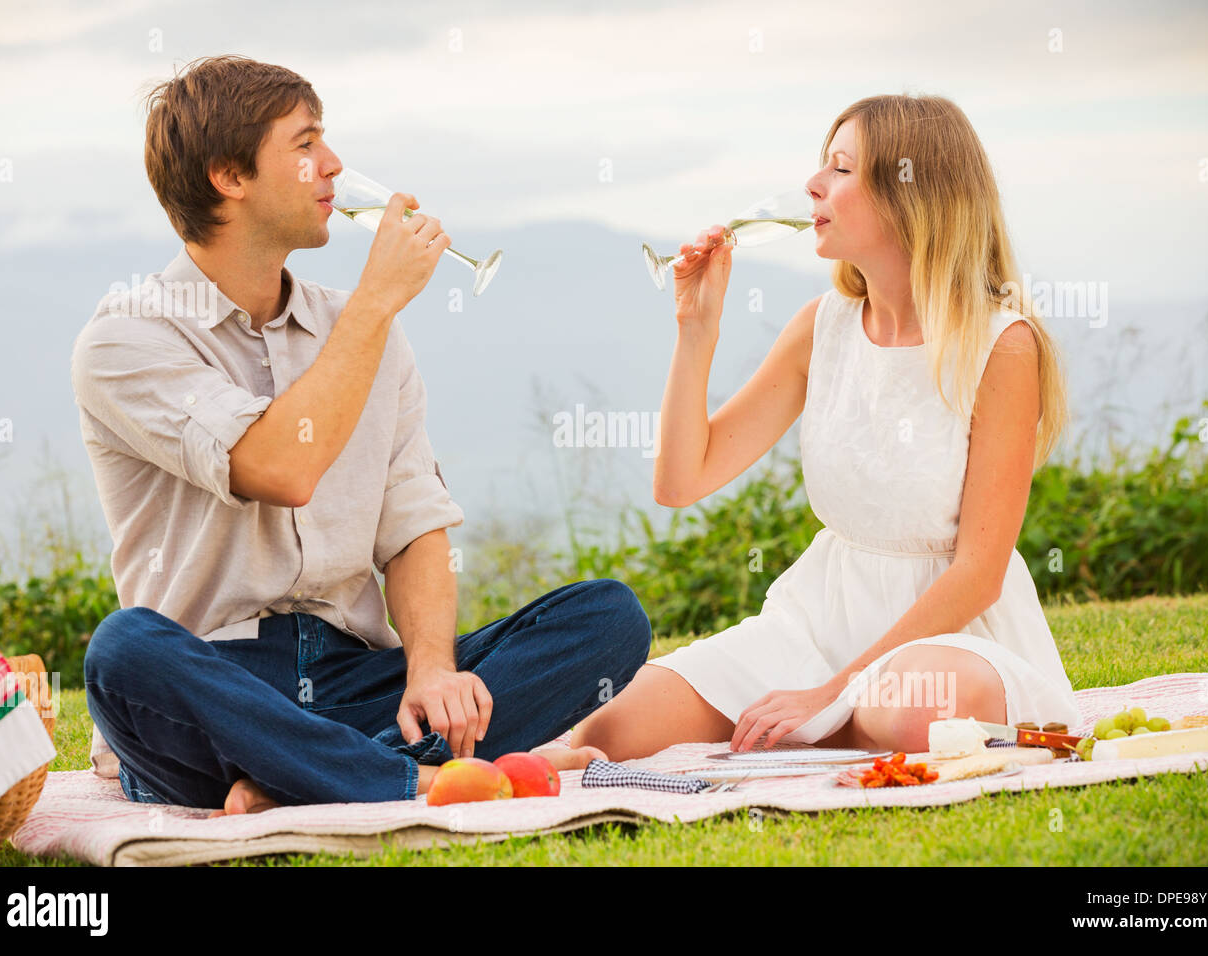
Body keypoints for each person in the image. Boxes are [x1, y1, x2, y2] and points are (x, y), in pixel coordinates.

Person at [74, 55, 648, 814]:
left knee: (606, 617)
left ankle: (310, 779)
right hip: (215, 687)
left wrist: (432, 671)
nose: (334, 166)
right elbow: (280, 467)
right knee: (123, 650)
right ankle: (395, 775)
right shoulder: (127, 337)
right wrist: (377, 304)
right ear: (228, 175)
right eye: (305, 144)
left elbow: (413, 526)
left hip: (359, 680)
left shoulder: (357, 325)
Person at [572, 94, 1083, 760]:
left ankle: (830, 724)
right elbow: (680, 481)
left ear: (912, 195)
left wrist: (832, 693)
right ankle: (829, 728)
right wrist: (695, 330)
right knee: (615, 729)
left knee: (906, 708)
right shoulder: (823, 325)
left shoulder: (1001, 345)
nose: (813, 185)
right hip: (817, 623)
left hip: (954, 636)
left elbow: (979, 574)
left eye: (841, 170)